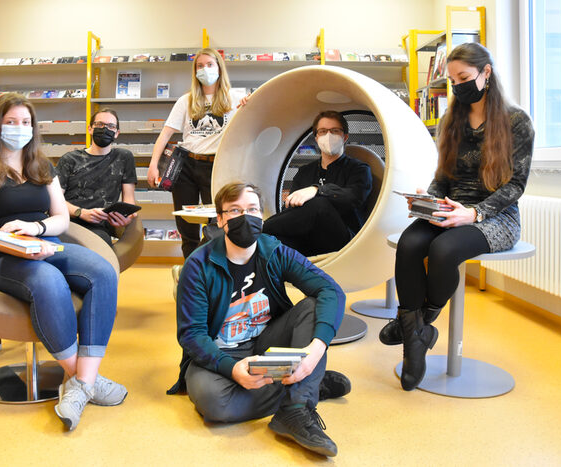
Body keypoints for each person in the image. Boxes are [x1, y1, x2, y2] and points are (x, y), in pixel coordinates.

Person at [0, 93, 127, 430]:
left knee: (103, 273)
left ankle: (83, 382)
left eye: (25, 122)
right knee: (49, 282)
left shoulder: (42, 166)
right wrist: (25, 245)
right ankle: (81, 381)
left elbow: (62, 218)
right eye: (11, 122)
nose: (20, 128)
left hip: (47, 242)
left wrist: (37, 230)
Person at [379, 43, 535, 391]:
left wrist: (475, 213)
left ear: (486, 73)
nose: (458, 86)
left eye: (464, 78)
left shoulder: (517, 122)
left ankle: (416, 328)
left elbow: (516, 186)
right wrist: (427, 202)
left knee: (444, 250)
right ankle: (416, 331)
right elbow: (443, 178)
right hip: (451, 206)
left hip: (496, 216)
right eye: (452, 80)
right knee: (409, 243)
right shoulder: (453, 120)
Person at [168, 182, 351, 457]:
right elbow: (192, 335)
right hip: (220, 353)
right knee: (214, 403)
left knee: (314, 305)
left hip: (268, 345)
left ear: (261, 216)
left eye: (252, 209)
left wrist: (317, 350)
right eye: (234, 210)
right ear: (220, 219)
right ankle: (307, 384)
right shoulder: (198, 265)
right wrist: (231, 369)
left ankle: (295, 408)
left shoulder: (275, 251)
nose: (245, 216)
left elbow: (330, 290)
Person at [147, 48, 244, 258]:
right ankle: (190, 273)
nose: (205, 69)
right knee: (186, 226)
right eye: (200, 66)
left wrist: (250, 106)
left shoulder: (235, 98)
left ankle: (206, 265)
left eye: (210, 64)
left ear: (219, 67)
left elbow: (253, 125)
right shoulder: (186, 101)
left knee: (217, 224)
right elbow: (165, 135)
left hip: (217, 166)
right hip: (186, 167)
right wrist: (153, 164)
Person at [262, 111, 372, 257]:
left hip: (342, 241)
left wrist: (317, 190)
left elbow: (354, 197)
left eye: (334, 131)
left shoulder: (359, 169)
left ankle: (259, 227)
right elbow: (291, 208)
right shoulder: (305, 172)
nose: (328, 136)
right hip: (306, 240)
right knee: (268, 242)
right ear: (316, 137)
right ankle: (258, 232)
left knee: (319, 204)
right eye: (323, 131)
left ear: (345, 137)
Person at [55, 108, 138, 246]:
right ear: (90, 129)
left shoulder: (124, 158)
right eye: (100, 125)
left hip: (99, 225)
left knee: (101, 244)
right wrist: (81, 212)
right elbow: (55, 200)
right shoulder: (70, 159)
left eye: (111, 126)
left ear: (117, 133)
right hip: (69, 221)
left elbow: (129, 199)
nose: (105, 129)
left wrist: (126, 217)